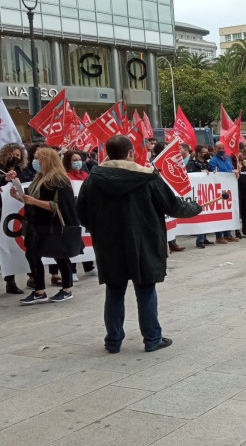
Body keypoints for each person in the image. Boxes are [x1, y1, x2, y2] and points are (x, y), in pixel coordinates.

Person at [76, 135, 202, 353]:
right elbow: (173, 206)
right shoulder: (148, 178)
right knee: (145, 289)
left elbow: (81, 213)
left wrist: (98, 228)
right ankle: (152, 338)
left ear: (108, 153)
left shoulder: (93, 180)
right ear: (131, 153)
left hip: (108, 243)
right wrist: (196, 207)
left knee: (114, 290)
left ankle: (113, 340)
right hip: (144, 241)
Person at [12, 148, 79, 305]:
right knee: (33, 255)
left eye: (38, 158)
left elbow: (59, 206)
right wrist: (19, 197)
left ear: (47, 160)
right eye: (34, 157)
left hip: (53, 225)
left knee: (60, 256)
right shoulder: (39, 177)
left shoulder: (59, 180)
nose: (34, 161)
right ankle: (39, 291)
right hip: (37, 224)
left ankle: (67, 289)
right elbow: (33, 201)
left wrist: (33, 201)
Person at [61, 150, 98, 278]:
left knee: (86, 239)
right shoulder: (64, 176)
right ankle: (72, 270)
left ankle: (89, 267)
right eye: (74, 160)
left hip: (84, 212)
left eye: (79, 160)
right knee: (73, 240)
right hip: (71, 213)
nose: (77, 162)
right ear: (67, 162)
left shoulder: (85, 175)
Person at [0, 143, 26, 294]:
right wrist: (5, 178)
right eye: (13, 155)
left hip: (10, 215)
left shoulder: (20, 171)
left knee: (9, 245)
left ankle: (10, 281)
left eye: (18, 156)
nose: (15, 158)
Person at [208, 141, 239, 244]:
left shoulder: (228, 158)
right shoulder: (213, 161)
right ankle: (219, 236)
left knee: (228, 211)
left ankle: (228, 234)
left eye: (222, 148)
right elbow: (216, 174)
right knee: (219, 212)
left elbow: (230, 170)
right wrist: (231, 172)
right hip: (219, 190)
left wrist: (236, 173)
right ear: (215, 149)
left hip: (229, 188)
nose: (221, 150)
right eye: (219, 148)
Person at [186, 145, 214, 248]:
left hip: (206, 193)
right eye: (204, 152)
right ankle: (199, 239)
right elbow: (188, 175)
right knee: (200, 216)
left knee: (206, 216)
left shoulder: (207, 164)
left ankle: (204, 237)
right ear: (198, 153)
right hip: (197, 194)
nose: (207, 154)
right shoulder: (192, 164)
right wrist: (199, 173)